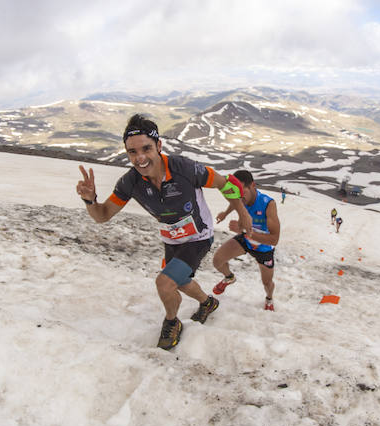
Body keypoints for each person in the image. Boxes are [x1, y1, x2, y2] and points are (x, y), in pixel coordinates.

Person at [75, 114, 252, 350]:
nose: (140, 158)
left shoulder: (185, 169)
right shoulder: (130, 182)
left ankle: (171, 322)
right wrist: (90, 200)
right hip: (172, 239)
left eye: (146, 149)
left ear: (159, 146)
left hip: (198, 236)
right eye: (132, 152)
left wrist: (242, 213)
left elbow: (225, 183)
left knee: (165, 283)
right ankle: (207, 303)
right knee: (180, 282)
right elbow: (103, 215)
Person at [211, 170, 281, 311]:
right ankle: (229, 277)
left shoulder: (268, 204)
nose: (239, 198)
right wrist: (225, 213)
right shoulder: (241, 197)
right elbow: (236, 201)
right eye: (237, 193)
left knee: (267, 282)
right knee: (217, 260)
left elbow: (274, 239)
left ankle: (269, 298)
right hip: (246, 239)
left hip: (264, 247)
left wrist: (244, 231)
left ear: (252, 185)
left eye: (242, 192)